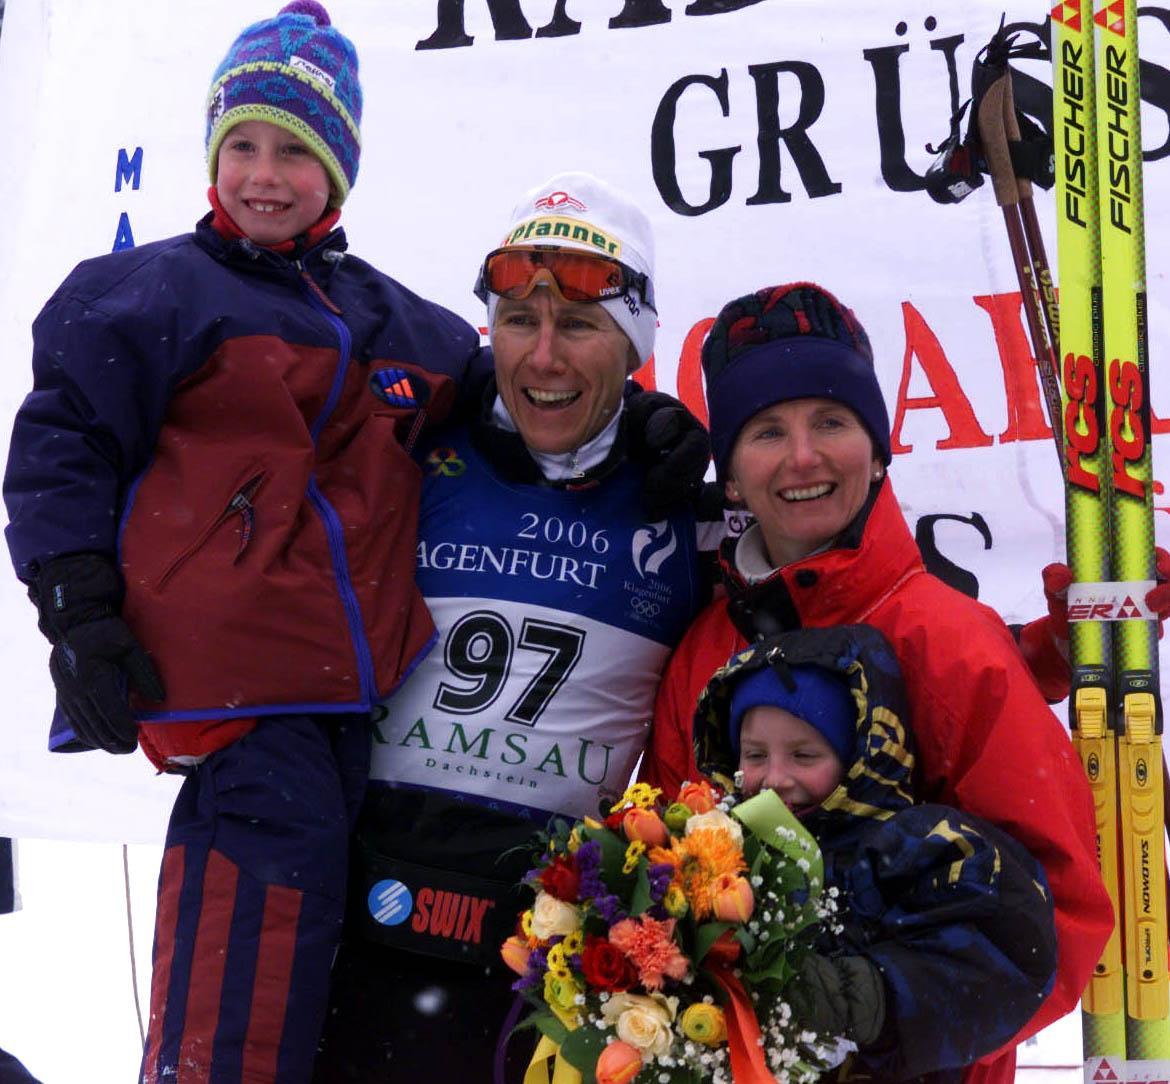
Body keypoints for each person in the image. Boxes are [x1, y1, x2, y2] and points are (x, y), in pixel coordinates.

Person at [2, 4, 483, 1082]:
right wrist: (79, 617)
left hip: (353, 701)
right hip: (240, 692)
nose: (265, 174)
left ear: (341, 169)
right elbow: (62, 449)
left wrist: (625, 415)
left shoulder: (395, 320)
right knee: (250, 968)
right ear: (213, 154)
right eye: (243, 146)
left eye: (297, 151)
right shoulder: (156, 291)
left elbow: (508, 394)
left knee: (338, 958)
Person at [640, 281, 1114, 1084]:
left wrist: (882, 1008)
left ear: (878, 444)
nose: (803, 457)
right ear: (731, 474)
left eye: (832, 421)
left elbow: (1062, 919)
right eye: (766, 431)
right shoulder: (703, 651)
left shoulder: (954, 642)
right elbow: (662, 860)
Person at [311, 171, 712, 1083]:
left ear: (636, 343)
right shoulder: (413, 450)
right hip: (360, 933)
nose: (543, 357)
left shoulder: (682, 506)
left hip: (549, 974)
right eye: (519, 323)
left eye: (578, 326)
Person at [692, 622, 1058, 1081]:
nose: (775, 778)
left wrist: (858, 994)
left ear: (859, 756)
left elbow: (1009, 958)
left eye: (804, 756)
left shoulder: (916, 846)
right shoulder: (717, 851)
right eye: (755, 755)